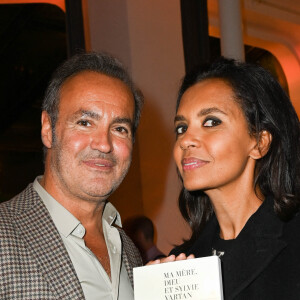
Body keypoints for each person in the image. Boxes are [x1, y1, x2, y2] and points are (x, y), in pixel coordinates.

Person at [0, 52, 144, 299]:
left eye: (120, 129)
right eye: (85, 122)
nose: (104, 144)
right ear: (48, 129)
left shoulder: (129, 250)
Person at [168, 58, 300, 299]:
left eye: (211, 122)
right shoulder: (178, 267)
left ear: (259, 143)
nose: (185, 140)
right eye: (181, 128)